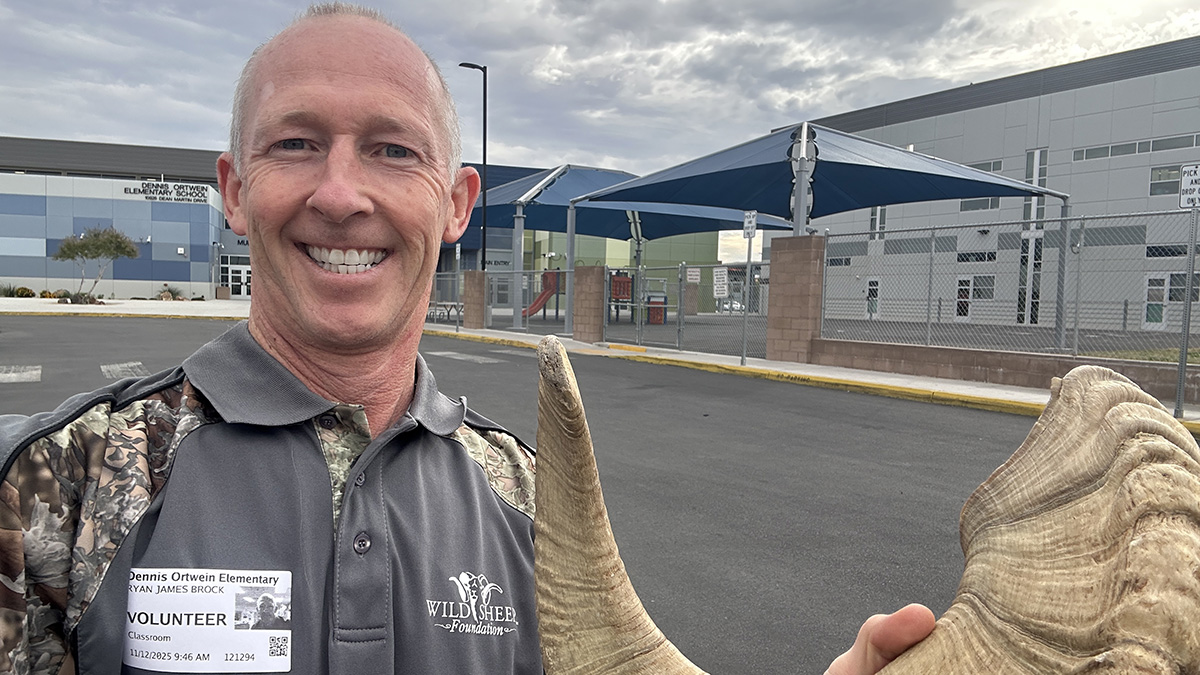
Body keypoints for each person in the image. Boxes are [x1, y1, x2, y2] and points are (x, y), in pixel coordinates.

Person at [0, 3, 932, 673]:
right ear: (235, 191)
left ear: (455, 205)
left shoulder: (530, 494)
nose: (339, 192)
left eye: (393, 150)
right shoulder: (60, 484)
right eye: (294, 143)